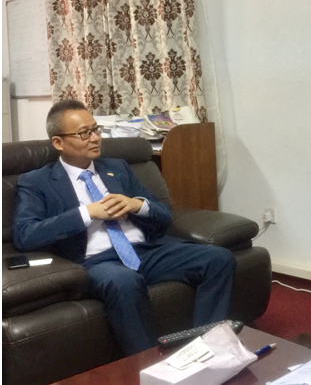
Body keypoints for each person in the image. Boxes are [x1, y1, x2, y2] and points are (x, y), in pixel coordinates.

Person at [12, 100, 236, 355]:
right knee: (125, 282)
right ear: (58, 142)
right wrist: (87, 213)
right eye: (84, 133)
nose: (95, 138)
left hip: (146, 250)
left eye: (95, 129)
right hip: (97, 261)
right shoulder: (36, 181)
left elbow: (163, 214)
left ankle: (208, 350)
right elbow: (25, 235)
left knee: (219, 258)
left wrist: (136, 205)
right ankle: (151, 364)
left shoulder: (117, 167)